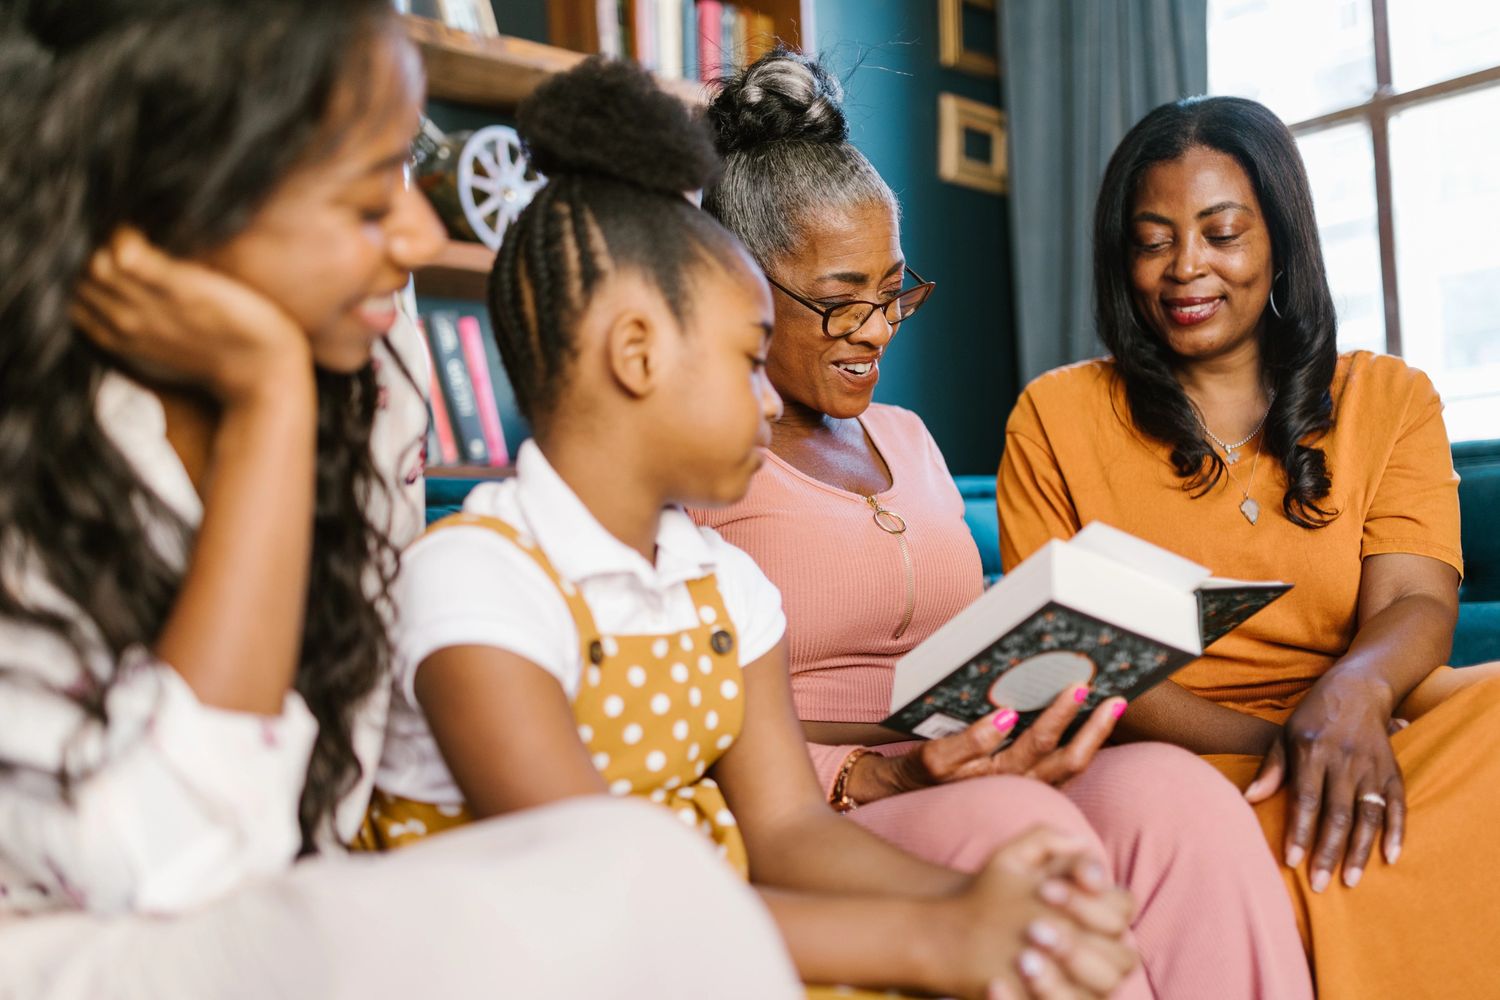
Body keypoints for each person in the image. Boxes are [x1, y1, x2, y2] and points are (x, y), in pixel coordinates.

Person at [0, 3, 803, 997]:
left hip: (265, 914)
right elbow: (165, 882)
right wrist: (269, 410)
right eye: (371, 191)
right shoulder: (53, 438)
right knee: (636, 884)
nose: (422, 236)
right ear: (192, 192)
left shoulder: (374, 377)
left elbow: (304, 845)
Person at [370, 56, 1141, 1000]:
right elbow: (594, 885)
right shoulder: (476, 582)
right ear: (638, 356)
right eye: (747, 361)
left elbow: (790, 832)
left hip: (696, 940)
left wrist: (981, 905)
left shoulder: (721, 584)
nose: (771, 401)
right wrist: (935, 944)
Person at [690, 50, 1314, 1000]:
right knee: (1036, 837)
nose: (878, 328)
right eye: (841, 300)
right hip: (836, 805)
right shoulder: (697, 459)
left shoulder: (909, 438)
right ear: (739, 285)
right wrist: (876, 773)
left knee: (1183, 802)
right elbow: (685, 712)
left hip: (979, 761)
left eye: (895, 290)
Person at [997, 93, 1500, 1000]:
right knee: (1206, 807)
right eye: (1153, 241)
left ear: (1281, 240)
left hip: (1377, 723)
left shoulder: (1389, 397)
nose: (1187, 268)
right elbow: (1090, 668)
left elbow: (1416, 603)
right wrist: (1298, 741)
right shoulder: (1056, 416)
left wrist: (1353, 695)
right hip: (1188, 758)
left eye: (1222, 233)